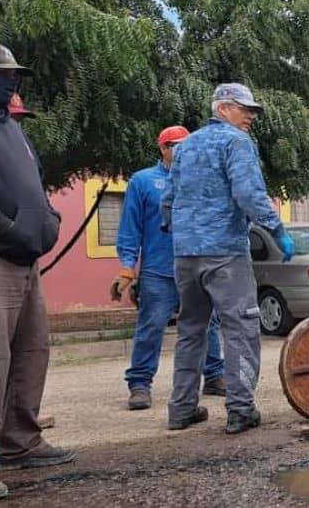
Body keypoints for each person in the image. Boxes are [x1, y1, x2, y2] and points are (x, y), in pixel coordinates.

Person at [0, 42, 75, 503]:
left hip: (23, 258)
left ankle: (18, 441)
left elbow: (29, 185)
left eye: (14, 74)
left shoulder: (7, 125)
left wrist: (46, 218)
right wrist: (8, 229)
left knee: (31, 353)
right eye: (0, 73)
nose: (11, 81)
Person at [162, 83, 293, 434]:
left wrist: (179, 230)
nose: (250, 116)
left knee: (191, 329)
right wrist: (276, 229)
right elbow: (248, 193)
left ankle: (181, 409)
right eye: (244, 109)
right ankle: (240, 409)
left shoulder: (185, 147)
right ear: (222, 109)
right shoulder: (236, 142)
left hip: (186, 255)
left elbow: (169, 199)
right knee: (240, 328)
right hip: (224, 254)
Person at [114, 126, 228, 412]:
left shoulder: (201, 179)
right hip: (159, 271)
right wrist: (127, 267)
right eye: (176, 145)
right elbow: (131, 226)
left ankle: (213, 375)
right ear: (163, 148)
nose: (183, 150)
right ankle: (140, 384)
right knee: (151, 326)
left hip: (196, 264)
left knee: (208, 324)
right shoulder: (143, 181)